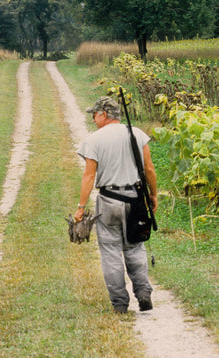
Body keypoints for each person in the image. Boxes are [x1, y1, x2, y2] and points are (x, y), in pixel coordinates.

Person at [74, 96, 158, 314]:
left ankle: (120, 303)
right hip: (135, 199)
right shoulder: (137, 134)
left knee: (110, 251)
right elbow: (149, 169)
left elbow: (88, 176)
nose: (93, 119)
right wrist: (153, 195)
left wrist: (81, 208)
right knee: (135, 246)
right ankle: (143, 293)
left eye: (94, 114)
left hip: (108, 200)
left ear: (104, 114)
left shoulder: (94, 140)